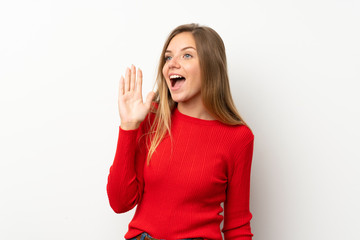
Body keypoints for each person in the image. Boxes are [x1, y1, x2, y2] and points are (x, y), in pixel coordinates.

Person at [107, 23, 255, 240]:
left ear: (211, 65)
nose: (172, 64)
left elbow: (237, 227)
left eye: (186, 56)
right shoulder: (152, 118)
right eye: (168, 58)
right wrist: (128, 127)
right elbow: (120, 203)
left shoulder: (238, 138)